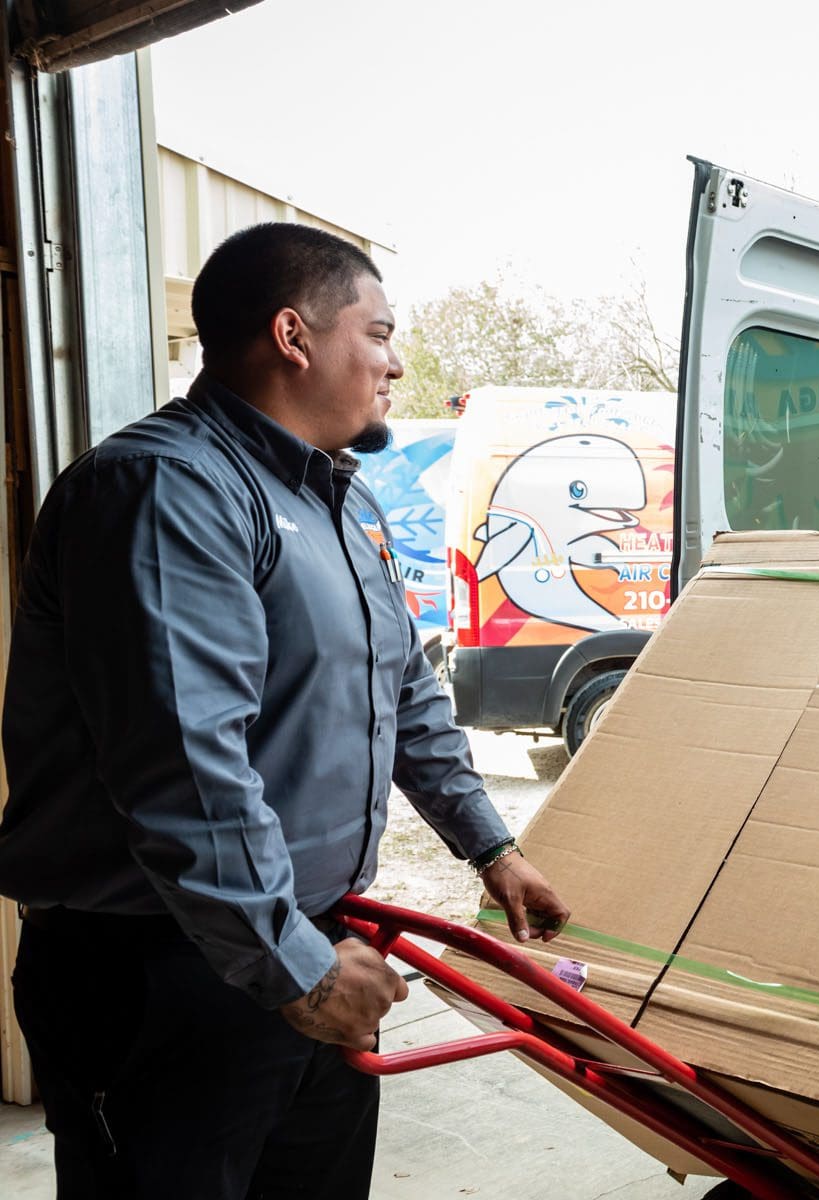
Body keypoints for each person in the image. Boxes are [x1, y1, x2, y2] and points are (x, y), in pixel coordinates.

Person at [0, 222, 571, 1199]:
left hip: (301, 944)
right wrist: (297, 968)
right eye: (380, 334)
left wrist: (491, 847)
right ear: (293, 335)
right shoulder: (165, 491)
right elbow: (185, 768)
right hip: (162, 971)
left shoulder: (341, 504)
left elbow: (402, 694)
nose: (397, 364)